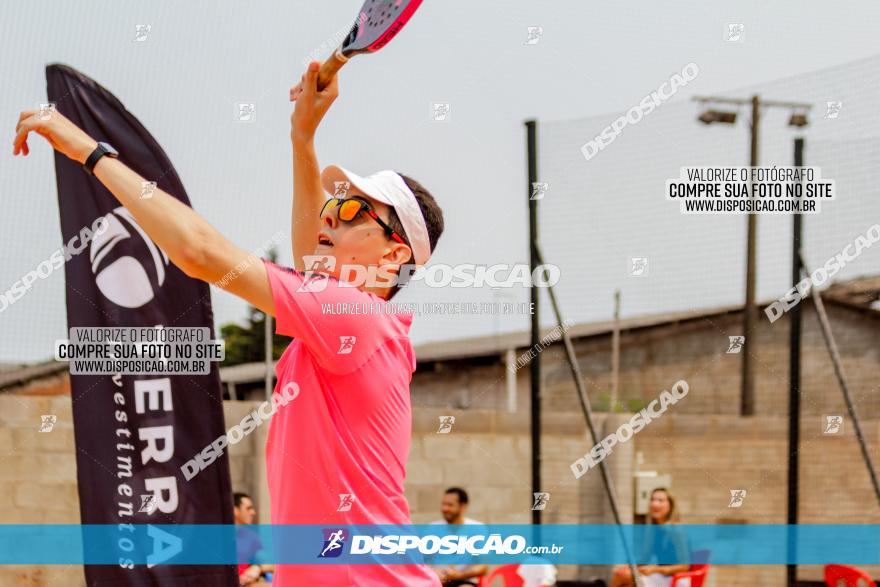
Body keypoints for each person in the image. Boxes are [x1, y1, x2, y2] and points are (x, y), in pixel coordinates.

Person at [13, 60, 444, 585]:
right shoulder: (359, 323)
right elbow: (314, 258)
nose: (330, 214)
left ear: (394, 256)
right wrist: (302, 138)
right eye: (334, 203)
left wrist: (89, 151)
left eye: (354, 211)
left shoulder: (352, 315)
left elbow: (198, 251)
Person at [610, 488, 689, 587]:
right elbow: (644, 558)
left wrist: (655, 569)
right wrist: (628, 566)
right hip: (661, 575)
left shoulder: (677, 530)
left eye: (660, 500)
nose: (654, 504)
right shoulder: (654, 529)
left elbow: (684, 566)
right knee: (622, 575)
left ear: (670, 505)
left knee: (624, 578)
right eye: (652, 500)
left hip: (677, 579)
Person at [430, 488, 489, 586]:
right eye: (443, 504)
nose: (445, 509)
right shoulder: (432, 528)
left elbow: (483, 567)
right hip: (437, 582)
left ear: (463, 507)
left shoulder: (477, 529)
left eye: (450, 505)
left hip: (465, 581)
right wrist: (433, 572)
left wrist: (459, 575)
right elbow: (420, 562)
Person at [234, 492, 273, 585]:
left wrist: (257, 568)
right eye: (248, 508)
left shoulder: (251, 537)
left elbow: (270, 565)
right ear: (235, 510)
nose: (253, 513)